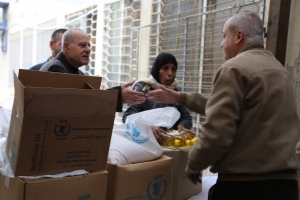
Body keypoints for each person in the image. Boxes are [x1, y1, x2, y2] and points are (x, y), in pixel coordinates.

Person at [146, 11, 300, 200]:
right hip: (287, 186)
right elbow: (229, 107)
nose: (221, 43)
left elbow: (218, 129)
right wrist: (180, 97)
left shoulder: (234, 68)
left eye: (224, 35)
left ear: (238, 37)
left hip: (246, 188)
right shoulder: (280, 70)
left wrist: (194, 163)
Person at [40, 28, 145, 111]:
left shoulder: (76, 72)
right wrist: (115, 95)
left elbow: (87, 98)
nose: (89, 49)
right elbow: (74, 104)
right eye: (82, 45)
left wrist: (115, 94)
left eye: (89, 45)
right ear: (66, 47)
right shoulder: (56, 68)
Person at [122, 53, 193, 142]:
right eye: (165, 68)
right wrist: (147, 127)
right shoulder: (142, 88)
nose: (170, 73)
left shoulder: (175, 91)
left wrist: (182, 126)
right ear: (157, 70)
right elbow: (128, 117)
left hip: (169, 143)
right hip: (146, 142)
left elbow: (186, 117)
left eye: (173, 69)